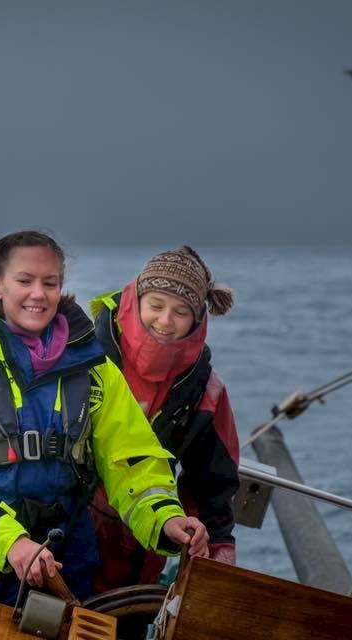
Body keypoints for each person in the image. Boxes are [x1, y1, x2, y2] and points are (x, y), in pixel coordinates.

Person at [0, 231, 209, 626]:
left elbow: (132, 461)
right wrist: (12, 542)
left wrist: (166, 518)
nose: (38, 293)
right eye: (24, 280)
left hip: (69, 569)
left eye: (50, 283)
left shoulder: (97, 373)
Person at [88, 246, 240, 593]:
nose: (165, 321)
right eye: (156, 305)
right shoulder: (81, 354)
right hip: (61, 529)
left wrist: (216, 551)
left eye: (181, 311)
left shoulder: (206, 390)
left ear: (198, 318)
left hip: (143, 541)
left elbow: (213, 482)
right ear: (135, 298)